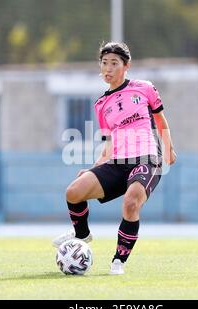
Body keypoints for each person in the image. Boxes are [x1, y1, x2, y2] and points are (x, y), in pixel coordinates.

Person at [52, 42, 177, 275]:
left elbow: (160, 120)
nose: (108, 68)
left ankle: (119, 260)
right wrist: (95, 167)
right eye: (104, 63)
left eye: (114, 63)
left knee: (131, 203)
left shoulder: (144, 88)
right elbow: (109, 142)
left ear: (126, 66)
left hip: (146, 158)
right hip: (117, 162)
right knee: (74, 192)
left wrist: (168, 149)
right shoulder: (101, 104)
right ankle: (82, 235)